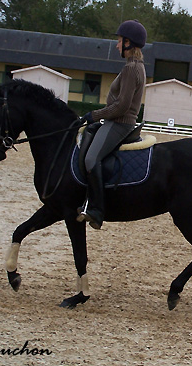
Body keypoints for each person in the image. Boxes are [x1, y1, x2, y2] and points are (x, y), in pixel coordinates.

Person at [77, 19, 147, 229]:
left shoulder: (131, 69)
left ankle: (97, 210)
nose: (117, 45)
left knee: (91, 158)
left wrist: (93, 115)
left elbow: (122, 106)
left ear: (128, 43)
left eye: (119, 41)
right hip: (116, 121)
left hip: (119, 123)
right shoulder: (136, 67)